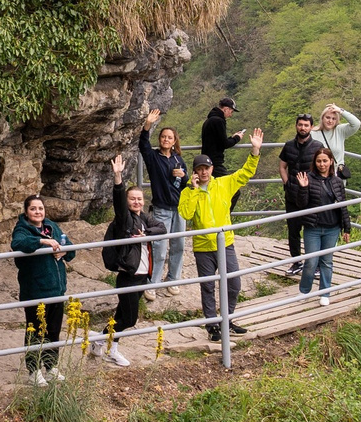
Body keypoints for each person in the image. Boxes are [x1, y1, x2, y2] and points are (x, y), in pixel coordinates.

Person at [178, 131, 263, 342]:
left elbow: (245, 174)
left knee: (233, 284)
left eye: (206, 168)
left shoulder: (224, 184)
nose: (204, 172)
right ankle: (212, 325)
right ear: (195, 172)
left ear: (211, 169)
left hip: (225, 242)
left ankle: (228, 319)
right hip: (203, 246)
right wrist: (195, 190)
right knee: (208, 287)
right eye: (199, 169)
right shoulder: (187, 192)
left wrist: (255, 150)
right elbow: (186, 214)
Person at [100, 153, 169, 365]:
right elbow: (119, 205)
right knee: (129, 319)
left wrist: (146, 233)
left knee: (120, 315)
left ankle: (102, 343)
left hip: (142, 276)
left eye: (140, 199)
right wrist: (118, 179)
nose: (137, 202)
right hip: (128, 276)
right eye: (133, 199)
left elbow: (162, 227)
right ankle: (105, 344)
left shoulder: (143, 218)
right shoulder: (124, 220)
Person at [9, 195, 75, 384]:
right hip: (35, 290)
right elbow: (19, 244)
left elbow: (70, 248)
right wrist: (43, 242)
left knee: (53, 331)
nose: (38, 212)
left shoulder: (52, 226)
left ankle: (51, 367)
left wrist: (64, 250)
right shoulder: (22, 229)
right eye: (33, 209)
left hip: (56, 288)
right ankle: (33, 371)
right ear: (26, 211)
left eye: (40, 208)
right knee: (35, 331)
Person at [137, 112, 192, 289]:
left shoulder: (179, 159)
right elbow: (143, 145)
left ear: (175, 141)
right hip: (161, 208)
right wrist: (147, 125)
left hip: (179, 208)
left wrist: (183, 176)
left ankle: (173, 280)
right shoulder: (153, 157)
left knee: (179, 245)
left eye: (170, 137)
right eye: (163, 137)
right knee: (159, 247)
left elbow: (187, 184)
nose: (166, 140)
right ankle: (153, 282)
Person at [298, 147, 352, 303]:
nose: (322, 164)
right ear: (315, 162)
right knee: (311, 261)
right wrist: (303, 188)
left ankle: (325, 293)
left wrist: (346, 228)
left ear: (331, 162)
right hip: (313, 227)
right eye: (319, 161)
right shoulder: (308, 178)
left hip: (332, 227)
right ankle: (304, 291)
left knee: (326, 261)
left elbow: (343, 205)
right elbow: (302, 204)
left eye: (325, 161)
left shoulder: (336, 181)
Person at [275, 115, 320, 264]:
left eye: (306, 125)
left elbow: (322, 169)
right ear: (296, 126)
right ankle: (296, 262)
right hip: (292, 194)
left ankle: (313, 263)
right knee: (293, 231)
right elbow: (282, 166)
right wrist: (287, 183)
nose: (303, 128)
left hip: (310, 195)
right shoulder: (288, 146)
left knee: (311, 230)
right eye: (300, 125)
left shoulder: (318, 147)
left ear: (311, 127)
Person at [310, 103, 361, 181]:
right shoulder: (313, 133)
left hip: (336, 177)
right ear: (322, 118)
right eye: (327, 117)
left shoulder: (340, 130)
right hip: (318, 176)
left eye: (334, 118)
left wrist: (340, 111)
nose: (330, 121)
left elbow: (356, 124)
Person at [199, 97, 237, 174]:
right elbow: (224, 144)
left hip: (207, 160)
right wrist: (237, 138)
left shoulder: (210, 120)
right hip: (215, 162)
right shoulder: (218, 121)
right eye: (231, 111)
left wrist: (231, 138)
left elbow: (218, 140)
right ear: (226, 109)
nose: (230, 115)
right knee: (226, 184)